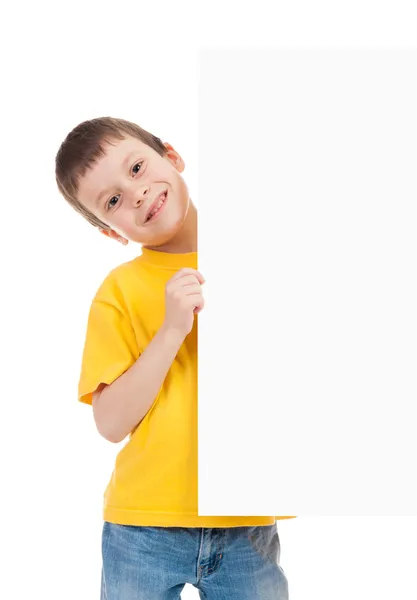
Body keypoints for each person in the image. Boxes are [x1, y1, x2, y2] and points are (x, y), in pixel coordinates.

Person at [55, 117, 294, 599]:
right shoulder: (118, 292)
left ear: (173, 155)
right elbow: (110, 423)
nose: (137, 194)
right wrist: (170, 331)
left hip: (245, 524)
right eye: (114, 201)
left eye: (138, 168)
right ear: (110, 232)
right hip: (141, 528)